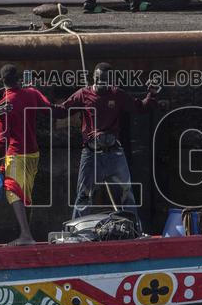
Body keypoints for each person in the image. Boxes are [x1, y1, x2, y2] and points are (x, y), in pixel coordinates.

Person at [59, 63, 156, 226]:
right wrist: (38, 102)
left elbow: (140, 107)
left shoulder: (117, 94)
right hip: (91, 154)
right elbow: (61, 110)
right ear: (93, 78)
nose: (100, 82)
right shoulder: (83, 94)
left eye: (104, 79)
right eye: (98, 79)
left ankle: (133, 228)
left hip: (114, 154)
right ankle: (75, 231)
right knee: (83, 195)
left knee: (127, 193)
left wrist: (151, 95)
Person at [0, 64, 51, 245]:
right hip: (33, 153)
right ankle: (27, 234)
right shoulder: (32, 93)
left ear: (1, 81)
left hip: (16, 153)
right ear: (18, 79)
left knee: (12, 191)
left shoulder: (3, 105)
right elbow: (49, 108)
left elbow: (3, 138)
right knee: (26, 194)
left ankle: (26, 235)